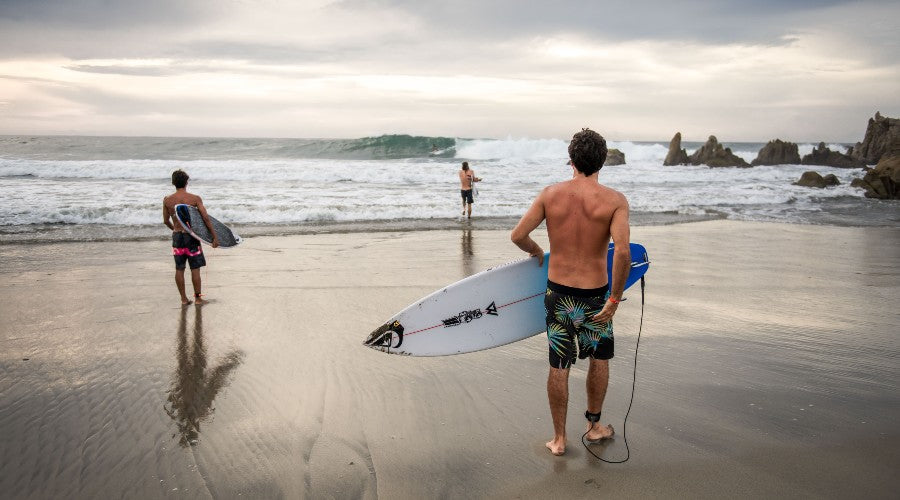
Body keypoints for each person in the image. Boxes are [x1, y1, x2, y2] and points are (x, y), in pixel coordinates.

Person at [510, 128, 631, 456]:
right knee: (599, 359)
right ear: (602, 162)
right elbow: (622, 252)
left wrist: (536, 250)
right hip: (596, 297)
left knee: (558, 364)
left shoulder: (551, 195)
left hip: (558, 295)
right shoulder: (615, 201)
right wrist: (616, 298)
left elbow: (518, 234)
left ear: (571, 159)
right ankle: (594, 428)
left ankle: (559, 439)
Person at [163, 169, 219, 305]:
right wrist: (214, 237)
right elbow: (205, 218)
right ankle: (198, 299)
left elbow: (165, 221)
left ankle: (183, 299)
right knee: (195, 268)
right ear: (186, 182)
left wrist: (175, 230)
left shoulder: (167, 200)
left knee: (179, 268)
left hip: (177, 238)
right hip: (191, 238)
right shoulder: (194, 199)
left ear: (173, 183)